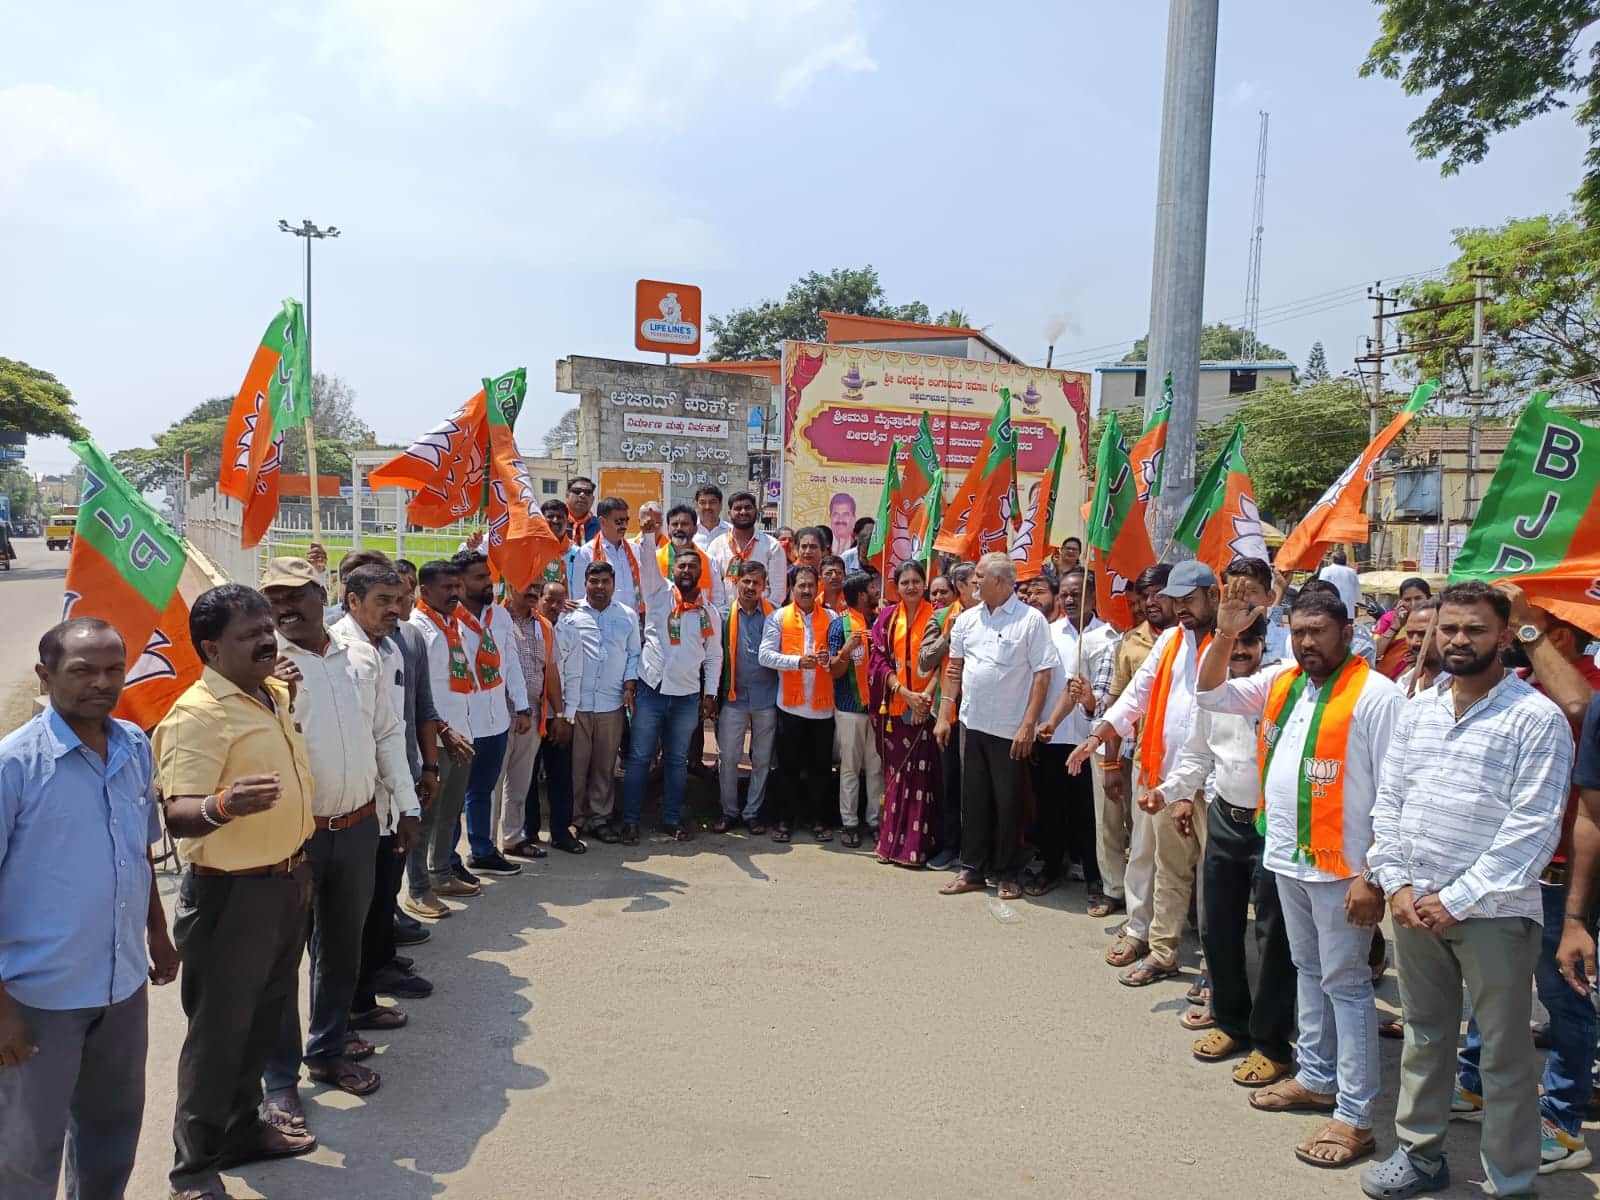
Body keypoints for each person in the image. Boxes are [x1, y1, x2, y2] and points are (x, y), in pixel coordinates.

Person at [1360, 582, 1574, 1198]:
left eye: (1475, 629)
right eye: (1449, 628)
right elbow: (1390, 803)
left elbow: (1533, 829)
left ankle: (1511, 1180)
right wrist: (1395, 882)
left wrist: (1457, 899)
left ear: (1503, 636)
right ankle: (1420, 1154)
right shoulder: (1418, 710)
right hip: (1414, 908)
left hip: (1495, 914)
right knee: (1425, 1038)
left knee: (1504, 1055)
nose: (1458, 640)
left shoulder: (1536, 718)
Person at [1196, 584, 1402, 1170]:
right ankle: (1316, 1077)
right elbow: (1209, 693)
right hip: (1287, 856)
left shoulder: (1377, 695)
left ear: (1347, 633)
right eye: (1299, 632)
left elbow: (1396, 790)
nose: (1307, 642)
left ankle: (1356, 1116)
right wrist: (1225, 633)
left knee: (1347, 984)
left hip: (1344, 870)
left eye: (1319, 631)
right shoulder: (1283, 682)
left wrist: (1374, 874)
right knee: (1308, 971)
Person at [0, 619, 177, 1200]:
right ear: (45, 675)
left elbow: (138, 850)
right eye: (82, 671)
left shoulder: (133, 746)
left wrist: (157, 932)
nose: (101, 683)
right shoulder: (14, 766)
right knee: (26, 1155)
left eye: (113, 670)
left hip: (122, 986)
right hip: (38, 997)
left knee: (111, 1137)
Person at [154, 584, 319, 1195]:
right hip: (231, 899)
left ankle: (241, 1130)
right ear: (211, 649)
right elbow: (177, 813)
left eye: (267, 628)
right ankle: (193, 1171)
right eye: (250, 634)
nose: (267, 640)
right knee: (218, 1039)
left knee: (261, 1021)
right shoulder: (197, 714)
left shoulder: (269, 692)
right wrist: (223, 805)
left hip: (286, 882)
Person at [261, 556, 421, 1124]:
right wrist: (272, 689)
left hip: (357, 827)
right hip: (295, 839)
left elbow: (387, 732)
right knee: (282, 961)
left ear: (320, 594)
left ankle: (327, 1050)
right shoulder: (264, 668)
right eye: (273, 597)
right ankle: (278, 1081)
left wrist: (406, 804)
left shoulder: (360, 656)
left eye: (294, 594)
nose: (284, 606)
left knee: (341, 948)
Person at [1449, 584, 1597, 1174]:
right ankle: (1476, 1083)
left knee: (1565, 999)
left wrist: (1528, 625)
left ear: (1558, 635)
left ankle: (1562, 1122)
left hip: (1561, 875)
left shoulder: (1584, 684)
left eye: (1520, 625)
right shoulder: (1521, 683)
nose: (1509, 634)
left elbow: (1580, 708)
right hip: (1510, 868)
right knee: (1496, 985)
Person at [1154, 615, 1297, 1087]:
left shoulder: (1282, 686)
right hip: (1224, 817)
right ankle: (1231, 1022)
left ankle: (1272, 1043)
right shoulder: (1211, 693)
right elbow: (1196, 755)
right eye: (1231, 642)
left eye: (1249, 641)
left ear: (1264, 644)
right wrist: (1169, 791)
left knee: (1274, 937)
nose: (1239, 650)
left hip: (1272, 824)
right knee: (1217, 927)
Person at [1069, 560, 1211, 985]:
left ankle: (1214, 963)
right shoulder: (1169, 641)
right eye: (1175, 599)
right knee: (1159, 864)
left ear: (1213, 596)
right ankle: (1152, 942)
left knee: (1214, 876)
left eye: (1189, 599)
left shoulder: (1231, 644)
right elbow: (1134, 696)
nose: (1180, 608)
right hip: (1161, 774)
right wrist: (1097, 737)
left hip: (1212, 784)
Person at [333, 563, 440, 1039]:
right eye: (383, 601)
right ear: (353, 600)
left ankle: (366, 994)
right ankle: (342, 1017)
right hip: (346, 804)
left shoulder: (392, 650)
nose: (395, 610)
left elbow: (391, 732)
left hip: (387, 799)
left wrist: (407, 804)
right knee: (345, 920)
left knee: (379, 902)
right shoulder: (334, 650)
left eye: (399, 600)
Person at [935, 553, 1055, 899]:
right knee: (973, 799)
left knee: (1009, 802)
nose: (974, 582)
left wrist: (1028, 724)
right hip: (971, 723)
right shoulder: (967, 619)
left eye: (980, 576)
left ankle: (1007, 872)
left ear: (1001, 582)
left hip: (1010, 728)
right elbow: (954, 669)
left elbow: (1042, 675)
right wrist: (944, 715)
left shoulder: (1030, 620)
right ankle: (972, 869)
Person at [623, 518, 722, 843]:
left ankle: (672, 819)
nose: (687, 571)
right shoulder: (658, 593)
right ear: (673, 569)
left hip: (687, 697)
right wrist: (648, 531)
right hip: (651, 690)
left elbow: (714, 656)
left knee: (678, 761)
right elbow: (646, 560)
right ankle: (630, 822)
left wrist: (710, 694)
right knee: (640, 758)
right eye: (682, 566)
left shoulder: (708, 611)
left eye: (693, 566)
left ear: (700, 573)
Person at [1088, 565, 1173, 923]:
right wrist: (1109, 763)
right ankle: (1119, 897)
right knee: (1125, 833)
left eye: (1157, 594)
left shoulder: (1198, 641)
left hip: (1178, 760)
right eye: (1144, 597)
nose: (1149, 603)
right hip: (1133, 753)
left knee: (1168, 842)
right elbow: (1117, 706)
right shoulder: (1129, 642)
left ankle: (1173, 910)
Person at [1029, 567, 1116, 896]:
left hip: (1089, 738)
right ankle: (1052, 868)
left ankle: (1096, 878)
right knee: (1052, 808)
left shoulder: (1109, 636)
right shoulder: (1049, 633)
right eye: (1064, 594)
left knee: (1089, 814)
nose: (1068, 600)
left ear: (1093, 596)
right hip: (1052, 736)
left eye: (1076, 594)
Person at [451, 552, 533, 880]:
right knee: (453, 797)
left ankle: (482, 851)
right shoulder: (447, 618)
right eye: (480, 578)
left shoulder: (499, 616)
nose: (489, 583)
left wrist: (522, 706)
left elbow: (510, 662)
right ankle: (446, 861)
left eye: (488, 576)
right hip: (460, 723)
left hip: (496, 719)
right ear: (459, 583)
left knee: (482, 790)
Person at [403, 560, 478, 918]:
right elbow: (420, 695)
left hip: (462, 733)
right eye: (446, 588)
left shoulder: (453, 623)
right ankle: (418, 890)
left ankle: (441, 873)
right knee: (426, 818)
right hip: (435, 739)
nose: (455, 593)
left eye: (457, 587)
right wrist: (443, 731)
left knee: (450, 812)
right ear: (424, 591)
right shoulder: (418, 629)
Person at [759, 564, 837, 843]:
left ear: (818, 588)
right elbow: (764, 655)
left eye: (810, 585)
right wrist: (796, 662)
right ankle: (785, 820)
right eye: (800, 585)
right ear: (791, 589)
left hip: (822, 707)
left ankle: (818, 819)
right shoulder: (778, 617)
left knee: (820, 768)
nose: (806, 590)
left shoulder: (832, 617)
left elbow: (840, 656)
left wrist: (830, 659)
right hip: (790, 707)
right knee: (788, 767)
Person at [567, 561, 640, 843]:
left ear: (613, 584)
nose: (599, 587)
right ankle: (574, 819)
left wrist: (629, 685)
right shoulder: (571, 615)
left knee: (604, 766)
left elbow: (634, 654)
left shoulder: (627, 615)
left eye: (605, 581)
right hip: (578, 704)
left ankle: (599, 818)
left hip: (611, 703)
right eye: (594, 581)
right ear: (585, 583)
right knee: (576, 767)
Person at [872, 559, 938, 866]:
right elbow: (878, 662)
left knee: (922, 779)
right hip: (897, 707)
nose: (911, 587)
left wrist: (924, 698)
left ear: (925, 583)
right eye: (905, 582)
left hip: (928, 708)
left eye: (916, 581)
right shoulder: (886, 618)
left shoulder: (937, 615)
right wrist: (904, 693)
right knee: (896, 777)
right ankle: (889, 845)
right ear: (896, 587)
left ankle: (916, 848)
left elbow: (945, 661)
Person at [496, 577, 561, 860]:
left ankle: (513, 838)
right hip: (496, 715)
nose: (534, 592)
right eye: (529, 586)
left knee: (520, 784)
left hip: (531, 715)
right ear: (511, 586)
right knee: (492, 785)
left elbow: (551, 672)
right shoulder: (494, 619)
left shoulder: (544, 626)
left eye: (537, 587)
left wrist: (559, 714)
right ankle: (486, 846)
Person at [919, 560, 978, 870]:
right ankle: (951, 846)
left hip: (982, 715)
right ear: (961, 588)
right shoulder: (942, 617)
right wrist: (948, 635)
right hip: (948, 714)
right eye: (974, 584)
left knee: (978, 787)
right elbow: (925, 660)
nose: (979, 589)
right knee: (951, 783)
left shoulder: (990, 616)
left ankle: (977, 852)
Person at [715, 560, 779, 834]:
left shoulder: (775, 615)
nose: (751, 587)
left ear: (765, 585)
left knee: (762, 759)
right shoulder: (723, 616)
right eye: (746, 581)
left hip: (767, 698)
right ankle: (729, 812)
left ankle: (752, 813)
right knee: (728, 757)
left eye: (756, 582)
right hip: (734, 697)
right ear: (736, 582)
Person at [829, 571, 884, 846]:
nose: (877, 591)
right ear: (861, 595)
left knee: (876, 768)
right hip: (850, 709)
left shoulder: (881, 622)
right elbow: (834, 670)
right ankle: (849, 822)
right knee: (850, 768)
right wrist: (847, 650)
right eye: (872, 588)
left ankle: (875, 821)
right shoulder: (839, 626)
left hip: (879, 709)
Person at [530, 579, 584, 853]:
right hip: (529, 714)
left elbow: (574, 677)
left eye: (559, 602)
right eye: (548, 600)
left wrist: (567, 717)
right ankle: (528, 832)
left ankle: (561, 832)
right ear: (539, 598)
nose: (553, 606)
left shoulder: (571, 634)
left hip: (558, 716)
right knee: (527, 777)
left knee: (561, 776)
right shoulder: (526, 628)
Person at [706, 491, 787, 609]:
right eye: (738, 508)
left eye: (748, 508)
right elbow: (712, 586)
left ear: (756, 512)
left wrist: (763, 613)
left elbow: (778, 592)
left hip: (763, 615)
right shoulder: (716, 545)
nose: (743, 512)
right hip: (725, 614)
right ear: (729, 514)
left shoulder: (772, 546)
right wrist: (723, 614)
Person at [572, 497, 641, 615]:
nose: (624, 526)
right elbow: (579, 595)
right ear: (602, 521)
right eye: (619, 522)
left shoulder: (635, 550)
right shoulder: (586, 552)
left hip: (633, 620)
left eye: (626, 521)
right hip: (600, 620)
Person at [1373, 577, 1433, 679]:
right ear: (1400, 601)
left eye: (1418, 598)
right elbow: (1375, 653)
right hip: (1386, 677)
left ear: (1428, 598)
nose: (1413, 604)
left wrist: (1423, 657)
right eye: (1407, 600)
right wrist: (1395, 626)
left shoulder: (1436, 618)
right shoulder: (1389, 618)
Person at [541, 498, 585, 588]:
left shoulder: (577, 553)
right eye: (550, 516)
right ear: (542, 520)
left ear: (567, 520)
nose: (555, 520)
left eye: (560, 517)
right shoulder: (533, 551)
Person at [1316, 549, 1362, 628]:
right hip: (1348, 610)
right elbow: (1357, 591)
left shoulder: (1326, 570)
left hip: (1330, 609)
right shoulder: (1352, 572)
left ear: (1333, 559)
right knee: (1347, 631)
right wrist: (1357, 606)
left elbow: (1321, 589)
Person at [693, 483, 730, 548]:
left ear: (720, 505)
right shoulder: (688, 531)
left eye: (712, 502)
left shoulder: (731, 531)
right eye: (703, 503)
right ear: (696, 505)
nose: (707, 507)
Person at [565, 476, 600, 542]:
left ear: (592, 499)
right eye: (577, 491)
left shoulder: (601, 527)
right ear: (567, 496)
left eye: (587, 492)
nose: (582, 495)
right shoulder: (553, 522)